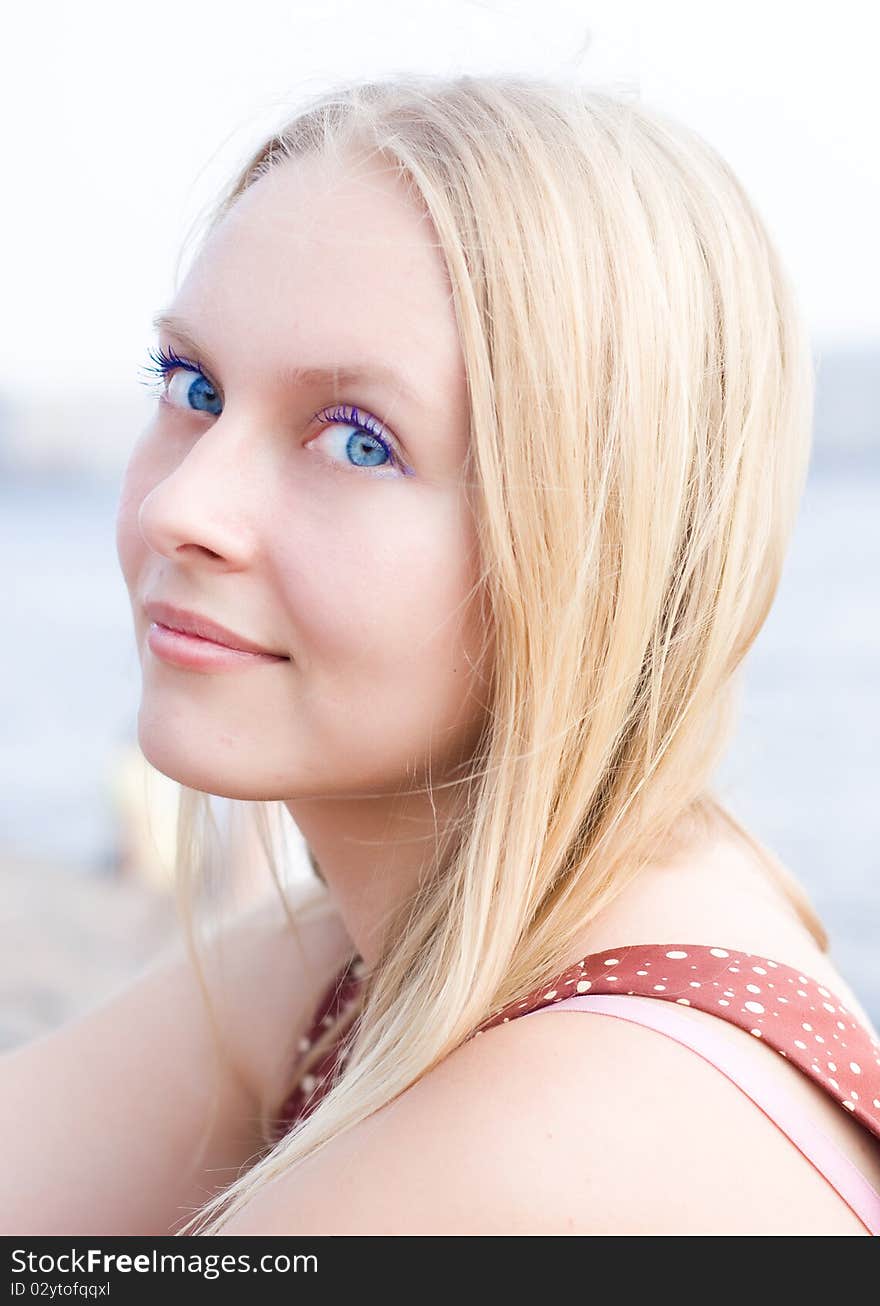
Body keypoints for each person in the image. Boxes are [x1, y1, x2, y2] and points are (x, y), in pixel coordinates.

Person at [3, 72, 878, 1238]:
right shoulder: (408, 939)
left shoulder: (541, 1151)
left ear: (587, 555)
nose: (182, 506)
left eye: (358, 439)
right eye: (194, 387)